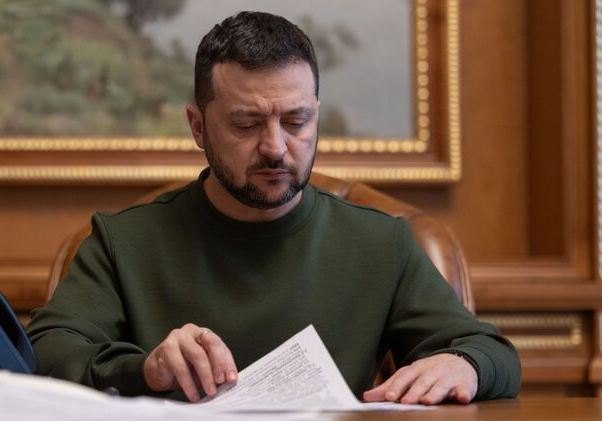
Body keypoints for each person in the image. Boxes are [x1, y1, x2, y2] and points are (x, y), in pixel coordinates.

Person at [27, 11, 521, 405]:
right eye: (246, 124)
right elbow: (44, 353)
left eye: (296, 121)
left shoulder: (381, 243)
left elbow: (493, 352)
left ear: (317, 116)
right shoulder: (123, 242)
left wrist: (466, 365)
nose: (275, 147)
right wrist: (143, 370)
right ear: (198, 127)